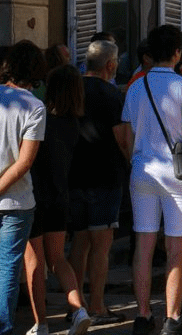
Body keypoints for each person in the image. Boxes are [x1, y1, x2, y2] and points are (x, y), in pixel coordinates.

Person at [117, 25, 182, 335]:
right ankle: (172, 316)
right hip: (178, 173)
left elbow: (126, 133)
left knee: (143, 244)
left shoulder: (135, 87)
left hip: (143, 170)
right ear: (178, 53)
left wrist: (135, 159)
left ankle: (142, 316)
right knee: (176, 248)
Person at [0, 42, 46, 335]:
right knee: (8, 269)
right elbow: (24, 162)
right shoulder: (34, 106)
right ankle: (0, 330)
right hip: (15, 201)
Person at [24, 65, 90, 335]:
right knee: (57, 259)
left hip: (34, 197)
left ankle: (40, 323)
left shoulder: (41, 119)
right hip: (60, 198)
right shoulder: (73, 124)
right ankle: (79, 309)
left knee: (34, 261)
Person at [68, 40, 128, 325]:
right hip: (105, 177)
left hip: (73, 176)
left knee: (79, 243)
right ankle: (97, 306)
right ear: (110, 64)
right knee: (101, 246)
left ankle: (75, 305)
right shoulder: (110, 93)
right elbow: (121, 136)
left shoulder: (72, 88)